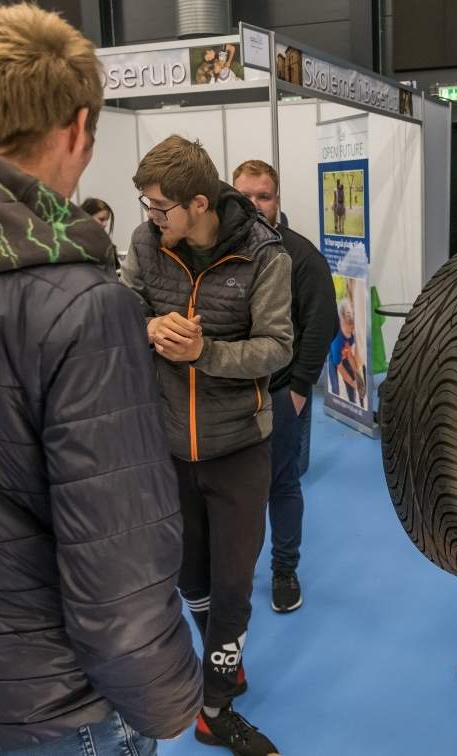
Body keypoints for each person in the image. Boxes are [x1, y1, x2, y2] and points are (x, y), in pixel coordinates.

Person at [0, 3, 202, 755]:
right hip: (56, 709)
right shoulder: (81, 306)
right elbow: (118, 568)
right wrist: (172, 701)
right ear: (80, 127)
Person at [121, 136, 293, 756]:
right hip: (167, 445)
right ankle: (225, 658)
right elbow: (125, 303)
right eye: (146, 205)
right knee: (189, 575)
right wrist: (146, 325)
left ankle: (214, 708)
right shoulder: (147, 243)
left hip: (239, 447)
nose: (150, 217)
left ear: (198, 203)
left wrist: (205, 353)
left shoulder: (264, 255)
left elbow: (278, 347)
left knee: (233, 586)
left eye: (161, 207)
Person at [233, 159, 337, 613]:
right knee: (233, 491)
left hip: (280, 393)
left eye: (264, 196)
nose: (255, 205)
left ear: (278, 200)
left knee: (282, 484)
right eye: (246, 196)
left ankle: (283, 570)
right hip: (229, 395)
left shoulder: (301, 255)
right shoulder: (219, 253)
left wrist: (298, 388)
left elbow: (322, 324)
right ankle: (234, 573)